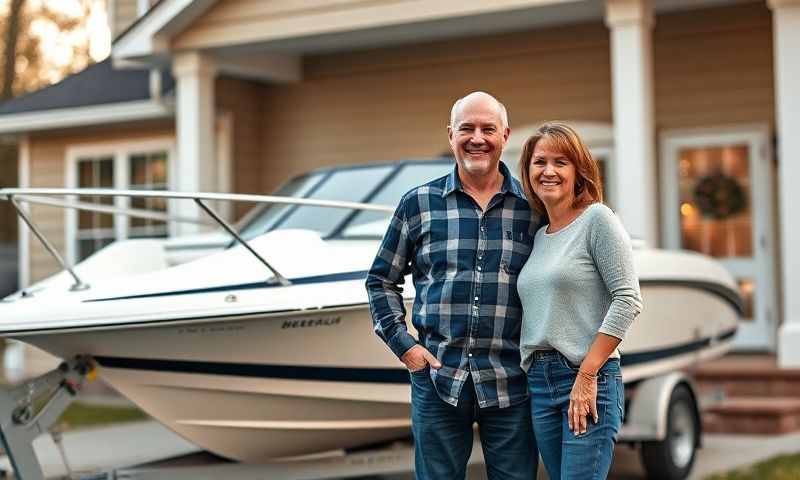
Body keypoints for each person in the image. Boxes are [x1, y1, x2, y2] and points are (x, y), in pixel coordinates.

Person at [366, 91, 540, 480]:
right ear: (451, 135)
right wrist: (405, 346)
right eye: (467, 128)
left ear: (505, 136)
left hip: (513, 381)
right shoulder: (418, 203)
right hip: (438, 380)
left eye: (488, 129)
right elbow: (380, 280)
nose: (477, 138)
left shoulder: (532, 207)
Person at [516, 122, 643, 480]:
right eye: (540, 162)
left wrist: (587, 374)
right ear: (527, 171)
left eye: (561, 162)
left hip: (587, 378)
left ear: (579, 170)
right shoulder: (540, 236)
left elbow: (628, 298)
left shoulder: (597, 219)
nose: (549, 171)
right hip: (540, 382)